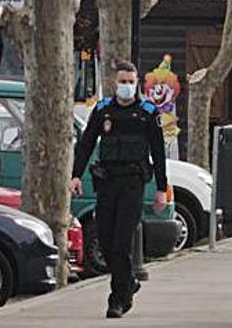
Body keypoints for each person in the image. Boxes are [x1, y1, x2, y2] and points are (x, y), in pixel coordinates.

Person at [71, 60, 169, 319]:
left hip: (133, 183)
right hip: (107, 182)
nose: (126, 86)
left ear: (136, 83)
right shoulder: (103, 110)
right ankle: (129, 283)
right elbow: (86, 144)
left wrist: (161, 188)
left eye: (130, 82)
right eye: (122, 81)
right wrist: (75, 175)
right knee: (105, 240)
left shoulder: (147, 111)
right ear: (114, 83)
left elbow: (158, 152)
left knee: (122, 243)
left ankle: (117, 299)